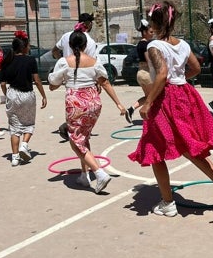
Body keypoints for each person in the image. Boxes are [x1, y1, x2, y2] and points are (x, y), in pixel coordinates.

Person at [128, 1, 213, 217]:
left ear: (154, 23)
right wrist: (180, 81)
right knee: (190, 146)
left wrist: (149, 101)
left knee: (154, 148)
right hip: (184, 95)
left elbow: (160, 75)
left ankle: (168, 203)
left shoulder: (154, 46)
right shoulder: (183, 44)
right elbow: (196, 68)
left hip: (165, 98)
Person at [48, 24, 127, 194]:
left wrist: (59, 82)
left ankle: (99, 173)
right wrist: (119, 104)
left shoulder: (64, 62)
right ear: (85, 45)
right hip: (93, 103)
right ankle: (84, 175)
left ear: (70, 44)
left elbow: (53, 85)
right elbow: (104, 82)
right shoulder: (94, 61)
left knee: (75, 141)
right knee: (83, 137)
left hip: (76, 104)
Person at [0, 30, 47, 166]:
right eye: (29, 45)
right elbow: (37, 80)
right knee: (28, 123)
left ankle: (14, 157)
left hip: (13, 94)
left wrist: (7, 94)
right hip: (27, 96)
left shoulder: (6, 61)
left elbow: (2, 83)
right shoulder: (30, 60)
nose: (30, 47)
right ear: (24, 47)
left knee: (14, 127)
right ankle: (24, 145)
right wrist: (44, 96)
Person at [52, 12, 97, 141]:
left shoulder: (66, 36)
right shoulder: (89, 40)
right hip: (84, 77)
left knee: (72, 102)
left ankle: (72, 127)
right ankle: (74, 129)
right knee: (86, 104)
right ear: (88, 24)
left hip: (69, 76)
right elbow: (92, 62)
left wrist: (62, 62)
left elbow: (54, 50)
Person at [124, 19, 155, 124]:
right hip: (147, 73)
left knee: (148, 97)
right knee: (154, 97)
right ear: (144, 32)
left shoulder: (140, 44)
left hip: (140, 73)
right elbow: (149, 60)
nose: (152, 33)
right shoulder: (145, 44)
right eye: (151, 32)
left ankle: (131, 109)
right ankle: (152, 119)